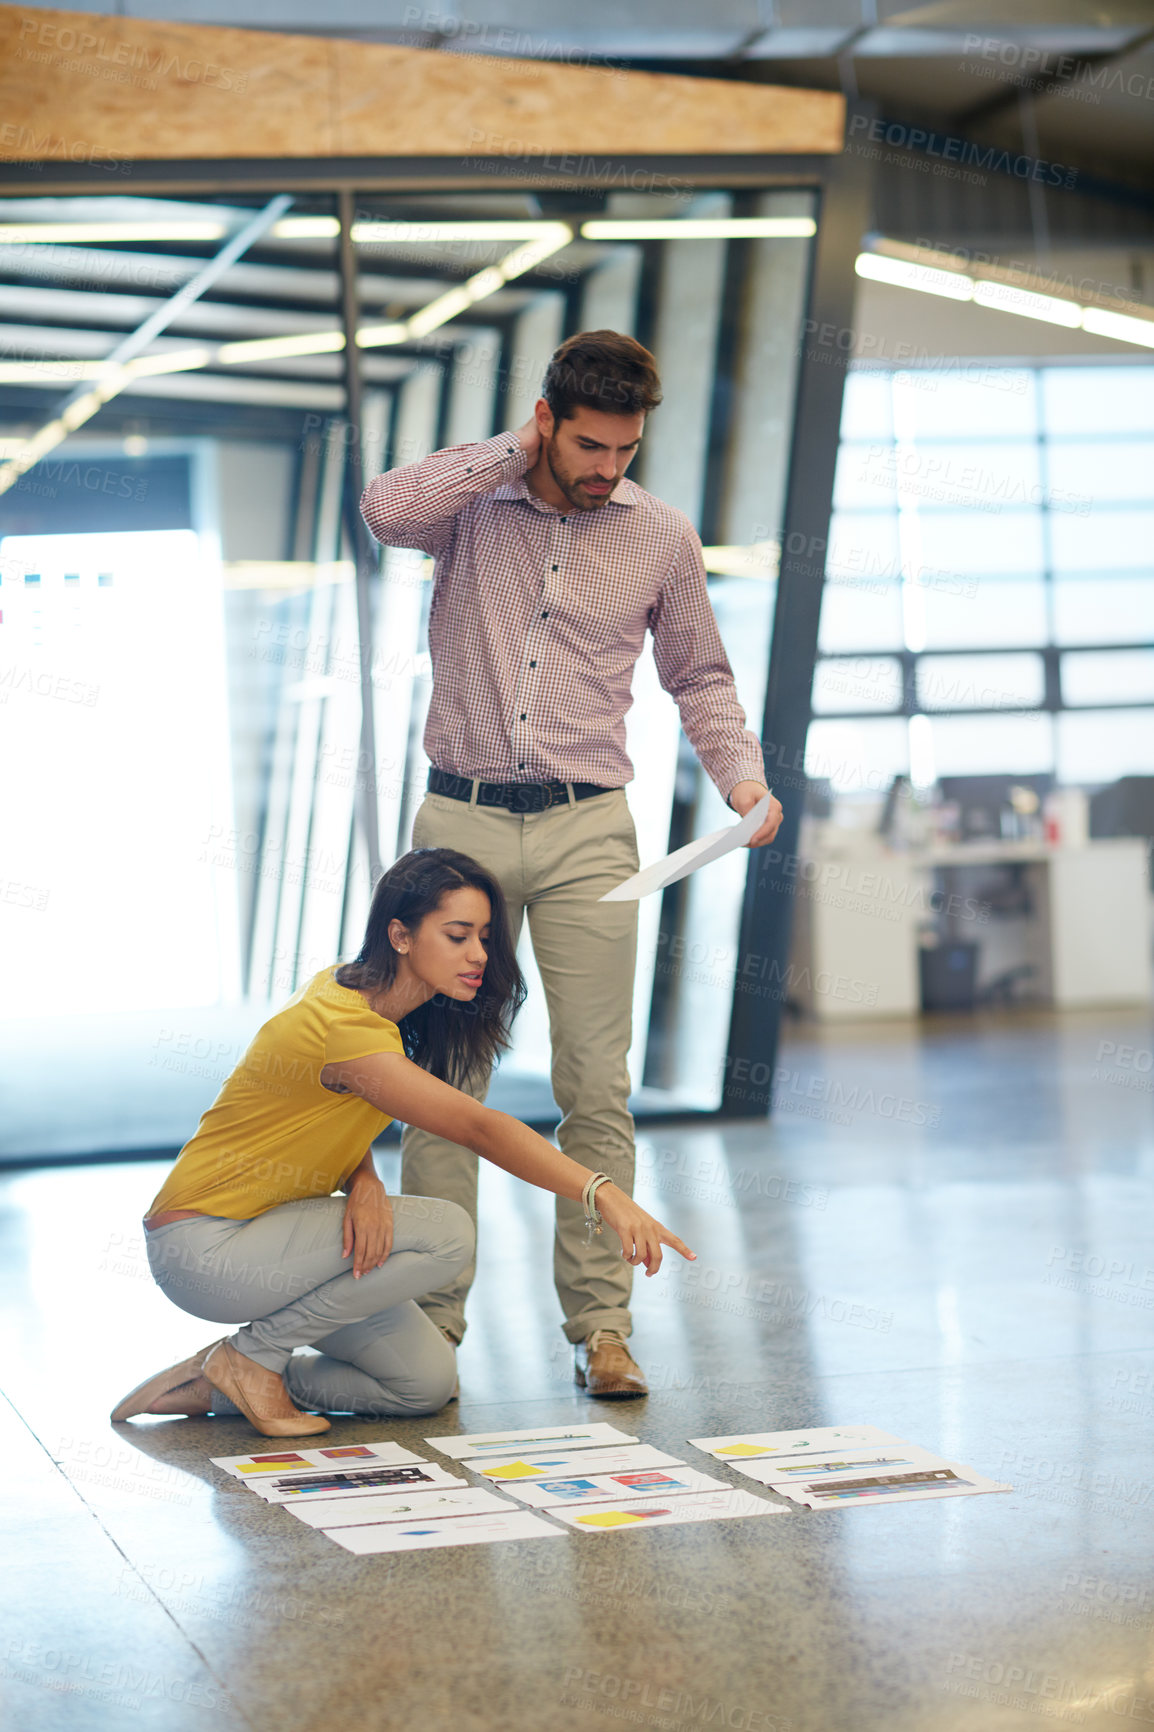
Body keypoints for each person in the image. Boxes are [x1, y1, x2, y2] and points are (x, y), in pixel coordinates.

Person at [360, 329, 783, 1399]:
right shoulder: (469, 510)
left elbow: (700, 675)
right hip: (456, 821)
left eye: (625, 449)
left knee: (595, 1082)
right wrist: (512, 453)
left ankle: (600, 1327)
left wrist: (741, 778)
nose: (607, 469)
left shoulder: (658, 536)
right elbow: (384, 509)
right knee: (443, 1080)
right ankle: (432, 1326)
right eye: (588, 444)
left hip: (590, 824)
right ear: (547, 421)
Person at [111, 848, 693, 1438]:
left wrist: (363, 1180)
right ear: (400, 935)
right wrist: (604, 1193)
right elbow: (479, 1128)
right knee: (448, 1232)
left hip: (275, 1237)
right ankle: (252, 1357)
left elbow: (323, 1109)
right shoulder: (347, 1027)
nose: (478, 955)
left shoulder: (354, 993)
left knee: (423, 1383)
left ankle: (224, 1384)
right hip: (207, 1249)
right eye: (457, 935)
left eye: (485, 936)